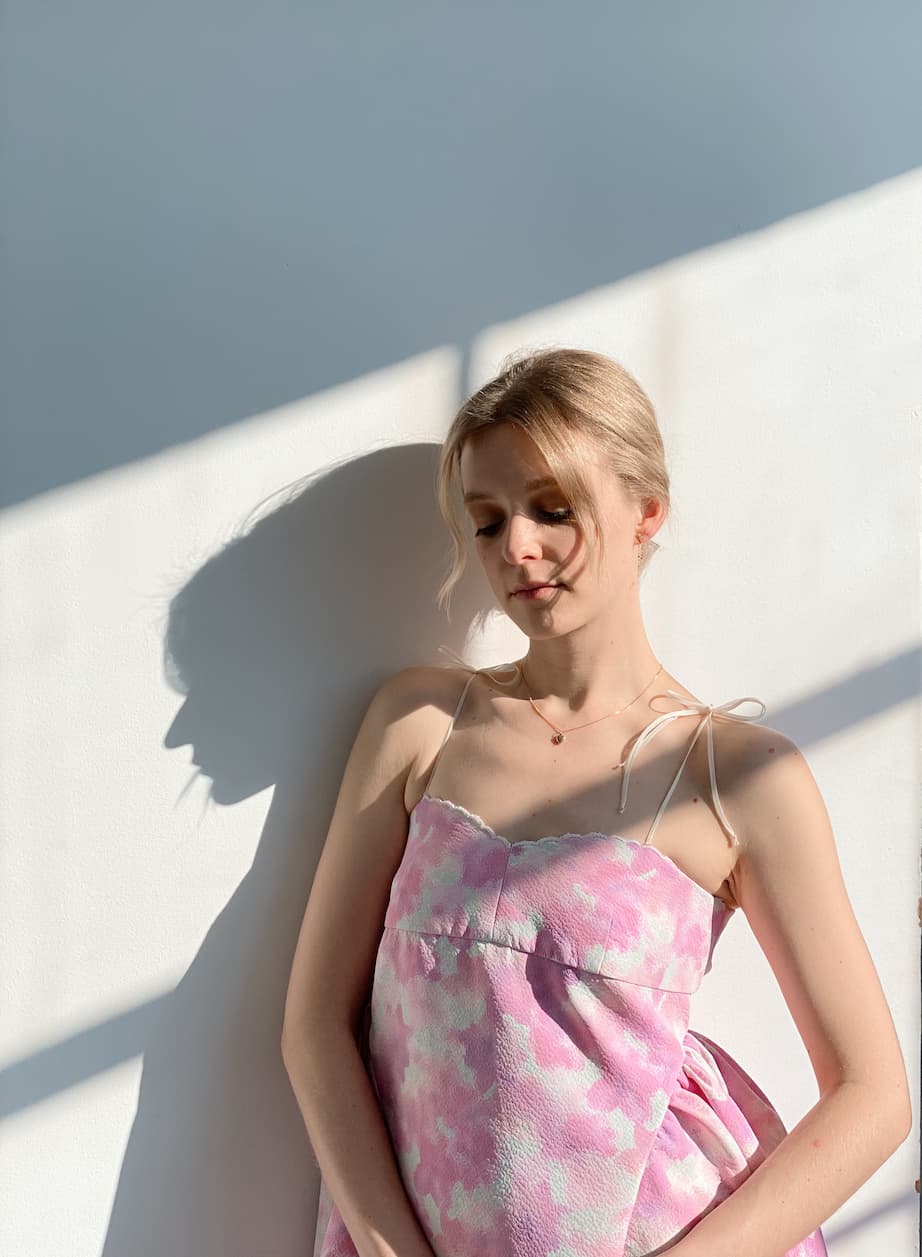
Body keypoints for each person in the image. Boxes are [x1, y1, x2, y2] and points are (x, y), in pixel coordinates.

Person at [281, 348, 911, 1257]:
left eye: (552, 508)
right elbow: (313, 1024)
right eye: (487, 521)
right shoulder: (421, 723)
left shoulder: (735, 777)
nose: (517, 550)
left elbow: (874, 1095)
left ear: (646, 511)